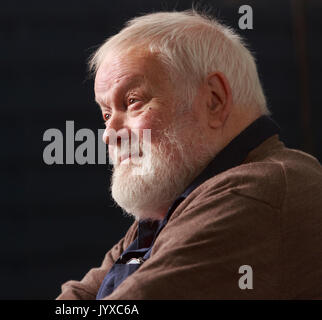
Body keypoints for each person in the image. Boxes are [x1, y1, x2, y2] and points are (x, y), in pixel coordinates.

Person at [56, 10, 322, 299]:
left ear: (214, 100)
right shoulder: (171, 207)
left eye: (132, 101)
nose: (108, 133)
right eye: (106, 114)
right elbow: (79, 297)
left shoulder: (252, 192)